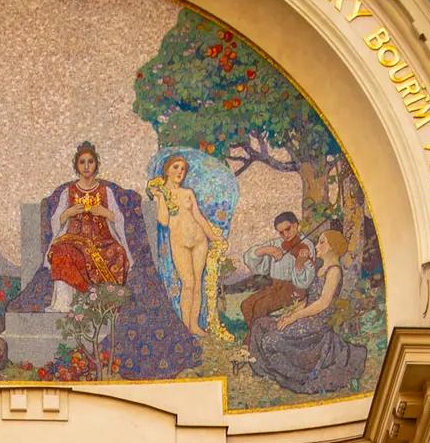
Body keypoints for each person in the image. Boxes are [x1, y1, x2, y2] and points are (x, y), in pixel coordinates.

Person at [247, 227, 366, 395]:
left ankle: (298, 377)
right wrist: (289, 315)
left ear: (332, 246)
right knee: (260, 324)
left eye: (322, 242)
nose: (317, 246)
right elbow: (308, 299)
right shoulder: (320, 269)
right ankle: (267, 371)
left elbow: (323, 303)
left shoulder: (334, 271)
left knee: (270, 340)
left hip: (317, 322)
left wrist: (294, 317)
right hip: (305, 315)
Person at [42, 143, 129, 311]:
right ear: (77, 166)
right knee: (61, 251)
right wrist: (69, 212)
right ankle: (67, 304)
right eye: (82, 162)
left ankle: (102, 303)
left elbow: (118, 218)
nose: (87, 166)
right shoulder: (69, 192)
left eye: (90, 162)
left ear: (96, 165)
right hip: (74, 238)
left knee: (118, 252)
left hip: (102, 240)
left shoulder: (105, 191)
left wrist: (104, 212)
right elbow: (56, 220)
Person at [145, 153, 225, 335]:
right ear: (166, 170)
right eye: (176, 167)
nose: (180, 172)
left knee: (197, 284)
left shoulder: (188, 193)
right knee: (187, 283)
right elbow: (164, 221)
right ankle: (184, 326)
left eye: (183, 169)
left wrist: (215, 238)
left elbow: (199, 217)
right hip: (179, 243)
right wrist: (160, 197)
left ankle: (194, 325)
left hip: (199, 241)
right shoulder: (160, 194)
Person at [235, 212, 316, 326]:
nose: (285, 235)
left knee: (260, 307)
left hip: (293, 289)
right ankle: (255, 336)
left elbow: (306, 281)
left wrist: (299, 264)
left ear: (296, 225)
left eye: (288, 229)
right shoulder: (276, 243)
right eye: (281, 232)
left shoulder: (306, 245)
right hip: (275, 286)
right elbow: (253, 263)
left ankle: (253, 340)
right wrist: (264, 250)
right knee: (246, 305)